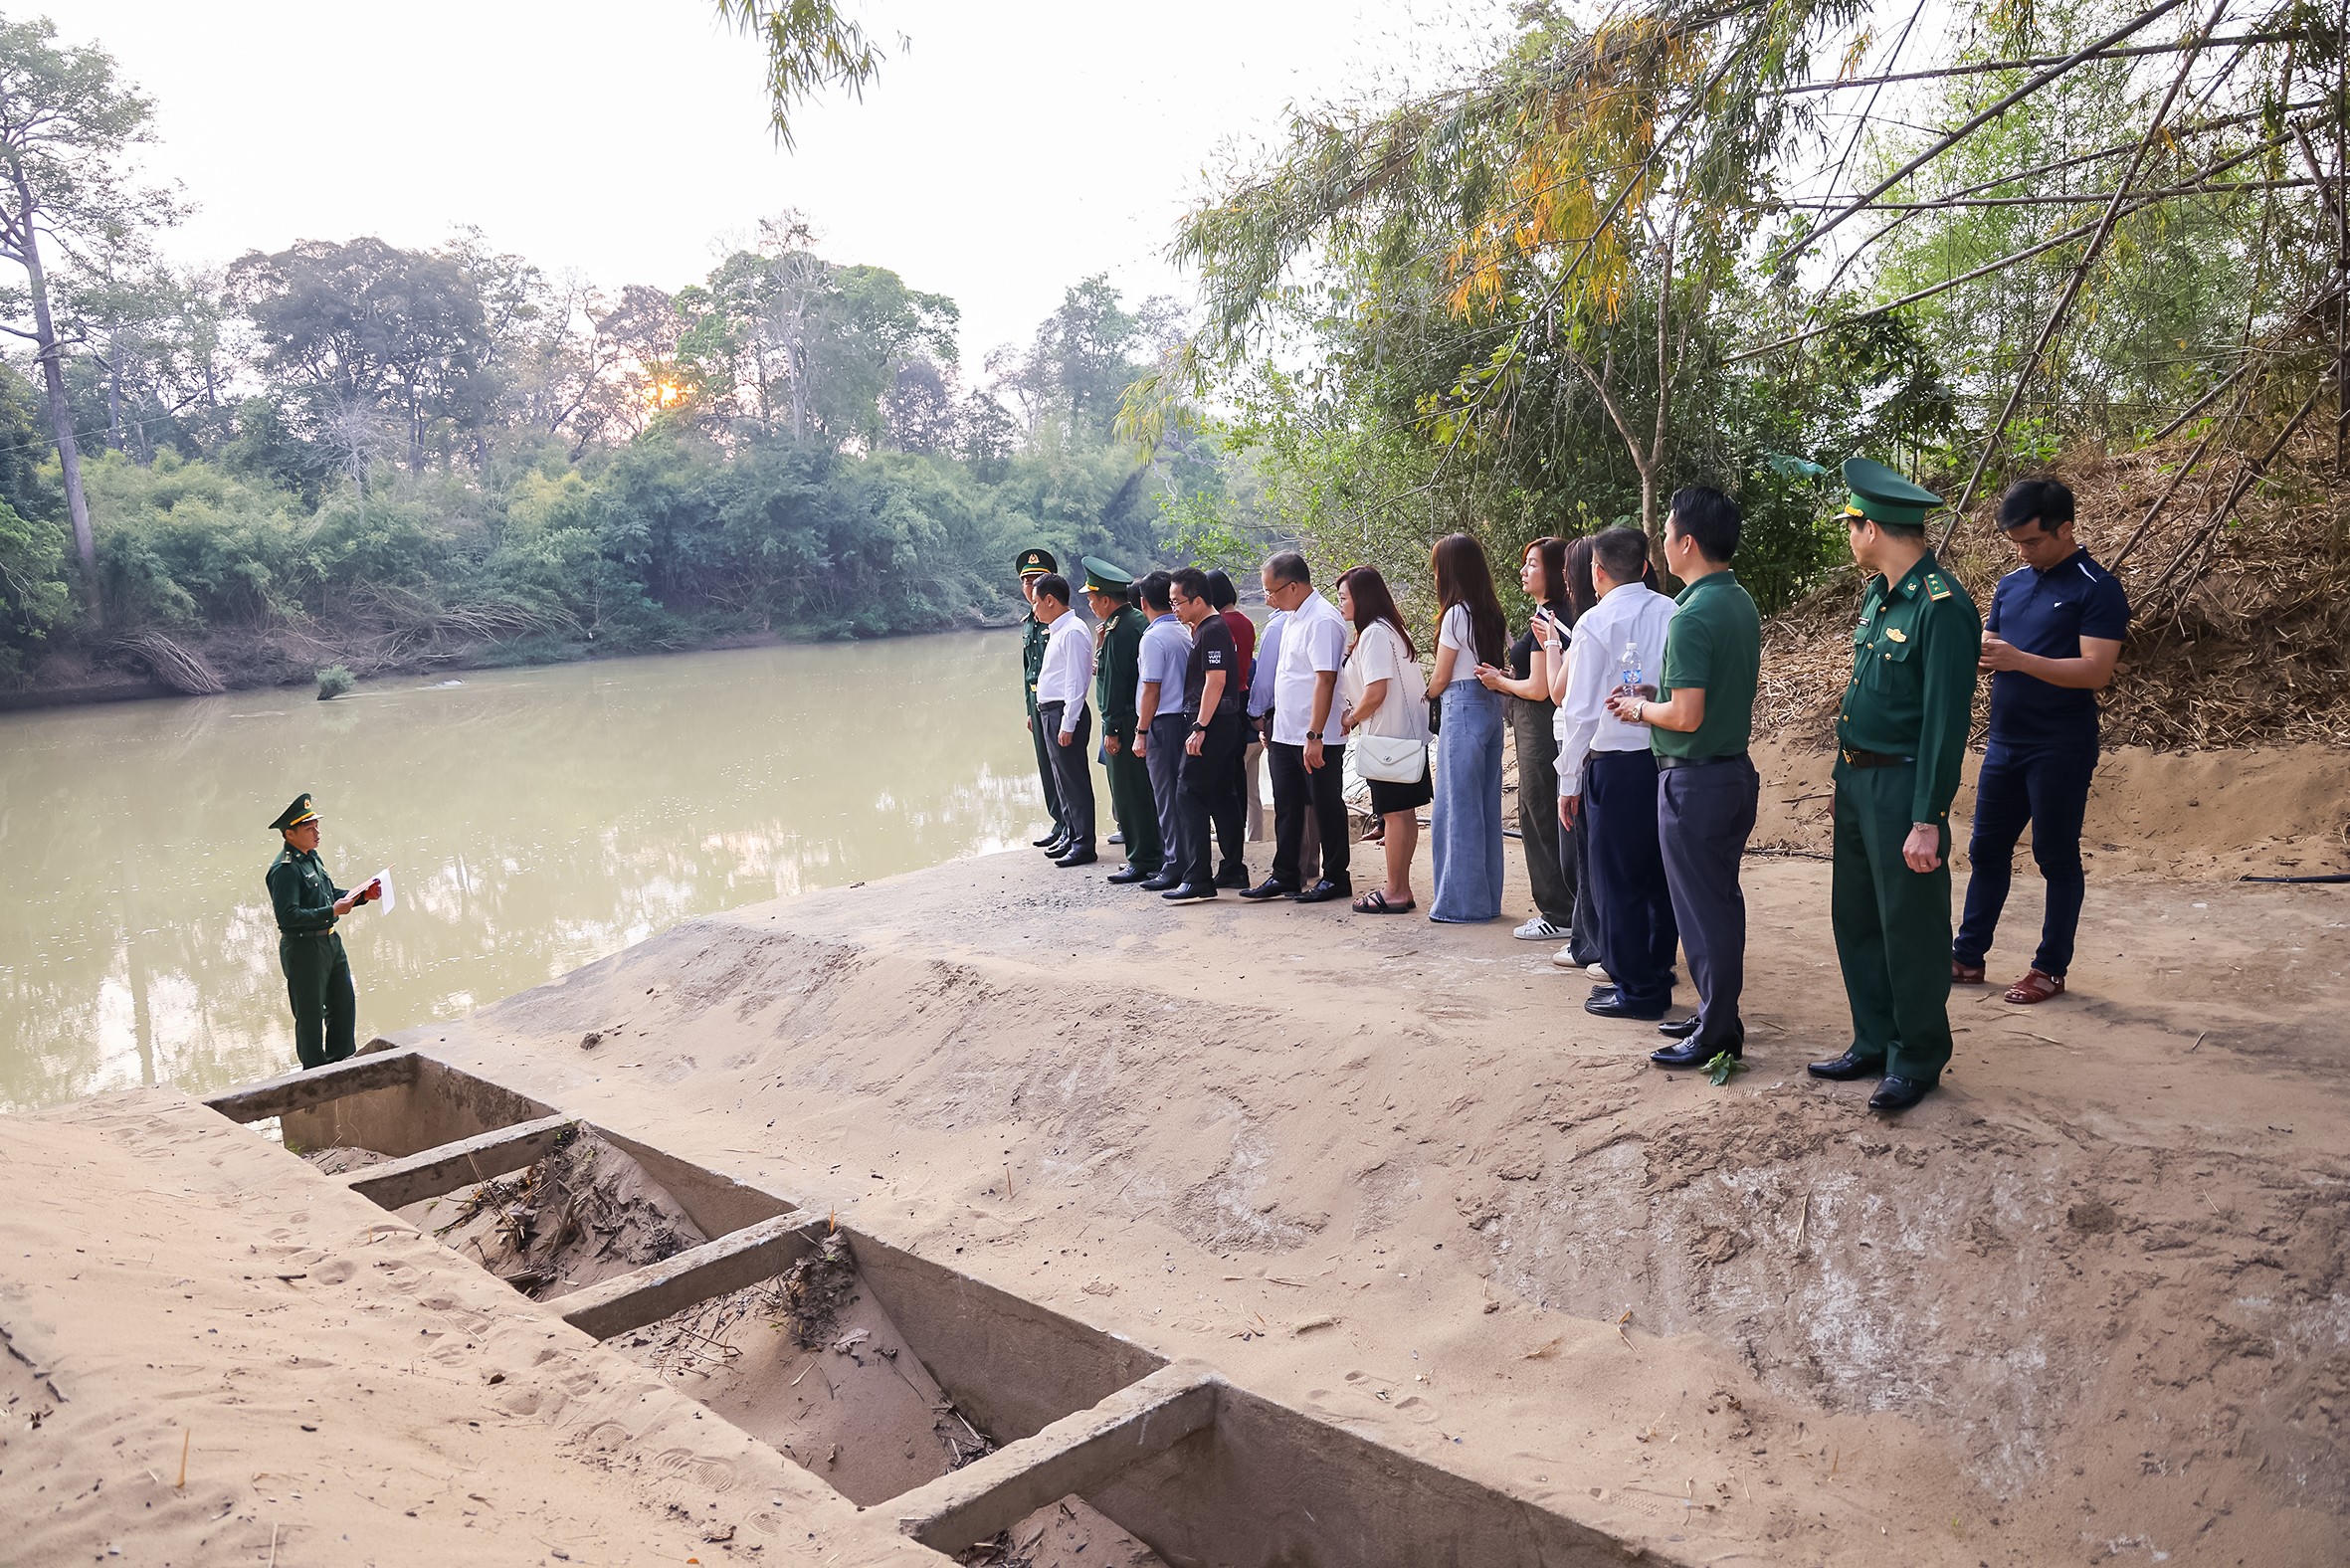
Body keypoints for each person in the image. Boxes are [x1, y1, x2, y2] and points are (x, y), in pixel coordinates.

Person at [1808, 459, 1982, 1114]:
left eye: (1851, 526)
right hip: (1858, 781)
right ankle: (1873, 1039)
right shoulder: (1880, 595)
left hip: (1904, 788)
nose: (1849, 538)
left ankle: (1916, 1056)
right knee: (1856, 919)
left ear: (1872, 527)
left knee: (1909, 926)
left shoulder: (1943, 608)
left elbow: (1944, 722)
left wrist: (1928, 816)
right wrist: (1841, 778)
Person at [1952, 478, 2128, 1006]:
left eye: (2032, 542)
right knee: (1986, 850)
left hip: (2060, 744)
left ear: (2065, 529)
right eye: (2016, 544)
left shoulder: (2096, 588)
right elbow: (1994, 644)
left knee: (2055, 855)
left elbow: (2097, 671)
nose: (2024, 553)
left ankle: (2049, 967)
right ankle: (1967, 955)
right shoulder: (2011, 585)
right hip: (2005, 739)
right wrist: (1983, 649)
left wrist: (2018, 659)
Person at [1608, 489, 1762, 1069]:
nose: (1664, 543)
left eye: (1668, 532)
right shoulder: (1735, 600)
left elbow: (1687, 716)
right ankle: (1715, 1010)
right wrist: (1659, 695)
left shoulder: (1693, 613)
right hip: (1726, 774)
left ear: (1687, 542)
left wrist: (1641, 709)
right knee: (1717, 901)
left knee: (1703, 908)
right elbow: (1702, 694)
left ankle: (1718, 1028)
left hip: (1694, 780)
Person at [1557, 527, 1679, 1021]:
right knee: (1658, 875)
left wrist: (1567, 779)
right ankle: (1656, 968)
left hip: (1615, 764)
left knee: (1616, 880)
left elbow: (1581, 709)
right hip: (1665, 758)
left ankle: (1635, 986)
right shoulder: (1672, 612)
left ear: (1597, 571)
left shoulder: (1595, 622)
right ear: (1646, 566)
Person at [1477, 537, 1575, 942]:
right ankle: (1567, 908)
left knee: (1539, 814)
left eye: (1532, 564)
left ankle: (1558, 911)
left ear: (1552, 571)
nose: (1523, 571)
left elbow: (1539, 687)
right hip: (1544, 728)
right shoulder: (1557, 614)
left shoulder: (1550, 618)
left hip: (1541, 729)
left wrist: (1499, 680)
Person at [1245, 551, 1351, 904]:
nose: (1267, 598)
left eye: (1271, 591)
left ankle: (1336, 876)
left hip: (1315, 734)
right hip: (1286, 732)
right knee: (1288, 805)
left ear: (1293, 586)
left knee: (1324, 805)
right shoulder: (1291, 617)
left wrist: (1315, 735)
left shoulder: (1322, 620)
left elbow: (1325, 680)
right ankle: (1285, 873)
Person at [1426, 533, 1509, 923]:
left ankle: (1460, 904)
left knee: (1456, 807)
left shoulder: (1456, 613)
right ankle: (1487, 899)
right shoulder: (1491, 611)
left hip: (1460, 705)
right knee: (1485, 805)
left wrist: (1423, 693)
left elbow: (1442, 675)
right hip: (1491, 705)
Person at [1339, 566, 1431, 913]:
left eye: (1345, 598)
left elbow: (1376, 690)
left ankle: (1395, 890)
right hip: (1405, 737)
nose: (1342, 605)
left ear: (1362, 598)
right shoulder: (1387, 630)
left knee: (1394, 815)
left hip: (1387, 739)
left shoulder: (1376, 633)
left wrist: (1351, 717)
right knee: (1402, 814)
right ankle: (1399, 887)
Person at [266, 793, 380, 1071]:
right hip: (304, 949)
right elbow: (288, 917)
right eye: (309, 828)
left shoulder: (312, 858)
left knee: (344, 1006)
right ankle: (315, 1075)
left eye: (317, 826)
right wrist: (332, 912)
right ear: (290, 833)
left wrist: (361, 895)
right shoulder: (285, 870)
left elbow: (328, 894)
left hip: (330, 943)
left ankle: (343, 1066)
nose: (317, 833)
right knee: (310, 1016)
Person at [1164, 567, 1249, 901]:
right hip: (1223, 722)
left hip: (1214, 724)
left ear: (1198, 600)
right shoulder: (1206, 628)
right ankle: (1232, 867)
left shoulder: (1212, 630)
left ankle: (1197, 875)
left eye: (1178, 602)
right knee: (1220, 794)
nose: (1175, 609)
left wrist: (1200, 727)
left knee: (1188, 793)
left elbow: (1215, 680)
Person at [1540, 537, 1604, 974]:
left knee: (1582, 853)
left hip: (1587, 748)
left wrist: (1550, 647)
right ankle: (1592, 940)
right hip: (1589, 745)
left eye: (1568, 568)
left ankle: (1595, 943)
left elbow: (1558, 693)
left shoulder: (1587, 625)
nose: (1563, 576)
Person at [1084, 557, 1161, 886]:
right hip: (1135, 719)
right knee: (1143, 791)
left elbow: (1116, 683)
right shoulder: (1134, 622)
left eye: (1091, 598)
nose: (1089, 604)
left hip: (1125, 721)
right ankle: (1152, 853)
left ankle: (1142, 858)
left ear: (1105, 599)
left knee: (1130, 793)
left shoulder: (1121, 628)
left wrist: (1113, 729)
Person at [1247, 606, 1320, 887]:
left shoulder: (1277, 627)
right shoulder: (1316, 620)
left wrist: (1257, 715)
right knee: (1310, 798)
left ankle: (1292, 870)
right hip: (1309, 719)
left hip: (1288, 719)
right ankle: (1308, 864)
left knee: (1291, 798)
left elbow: (1266, 679)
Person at [1031, 572, 1099, 868]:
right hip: (1051, 711)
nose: (1034, 609)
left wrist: (1068, 722)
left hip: (1063, 712)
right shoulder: (1059, 630)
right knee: (1062, 779)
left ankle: (1084, 843)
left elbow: (1075, 682)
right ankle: (1072, 834)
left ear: (1050, 600)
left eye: (1036, 602)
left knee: (1074, 779)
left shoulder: (1072, 631)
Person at [1133, 570, 1193, 892]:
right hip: (1183, 720)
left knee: (1166, 797)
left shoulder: (1153, 638)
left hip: (1163, 722)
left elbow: (1151, 690)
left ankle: (1173, 865)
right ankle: (1184, 860)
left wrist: (1141, 730)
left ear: (1143, 602)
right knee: (1180, 796)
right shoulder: (1183, 632)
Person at [1204, 568, 1259, 875]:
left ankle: (1231, 855)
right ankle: (1236, 851)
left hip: (1222, 704)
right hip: (1241, 699)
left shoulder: (1218, 625)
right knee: (1238, 781)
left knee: (1223, 784)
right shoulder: (1246, 622)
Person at [1017, 548, 1070, 853]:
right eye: (1026, 580)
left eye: (1037, 579)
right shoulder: (1028, 621)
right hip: (1037, 703)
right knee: (1045, 764)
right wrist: (1028, 709)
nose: (1030, 585)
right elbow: (1028, 670)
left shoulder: (1057, 620)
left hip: (1057, 703)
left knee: (1062, 765)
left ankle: (1070, 824)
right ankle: (1059, 821)